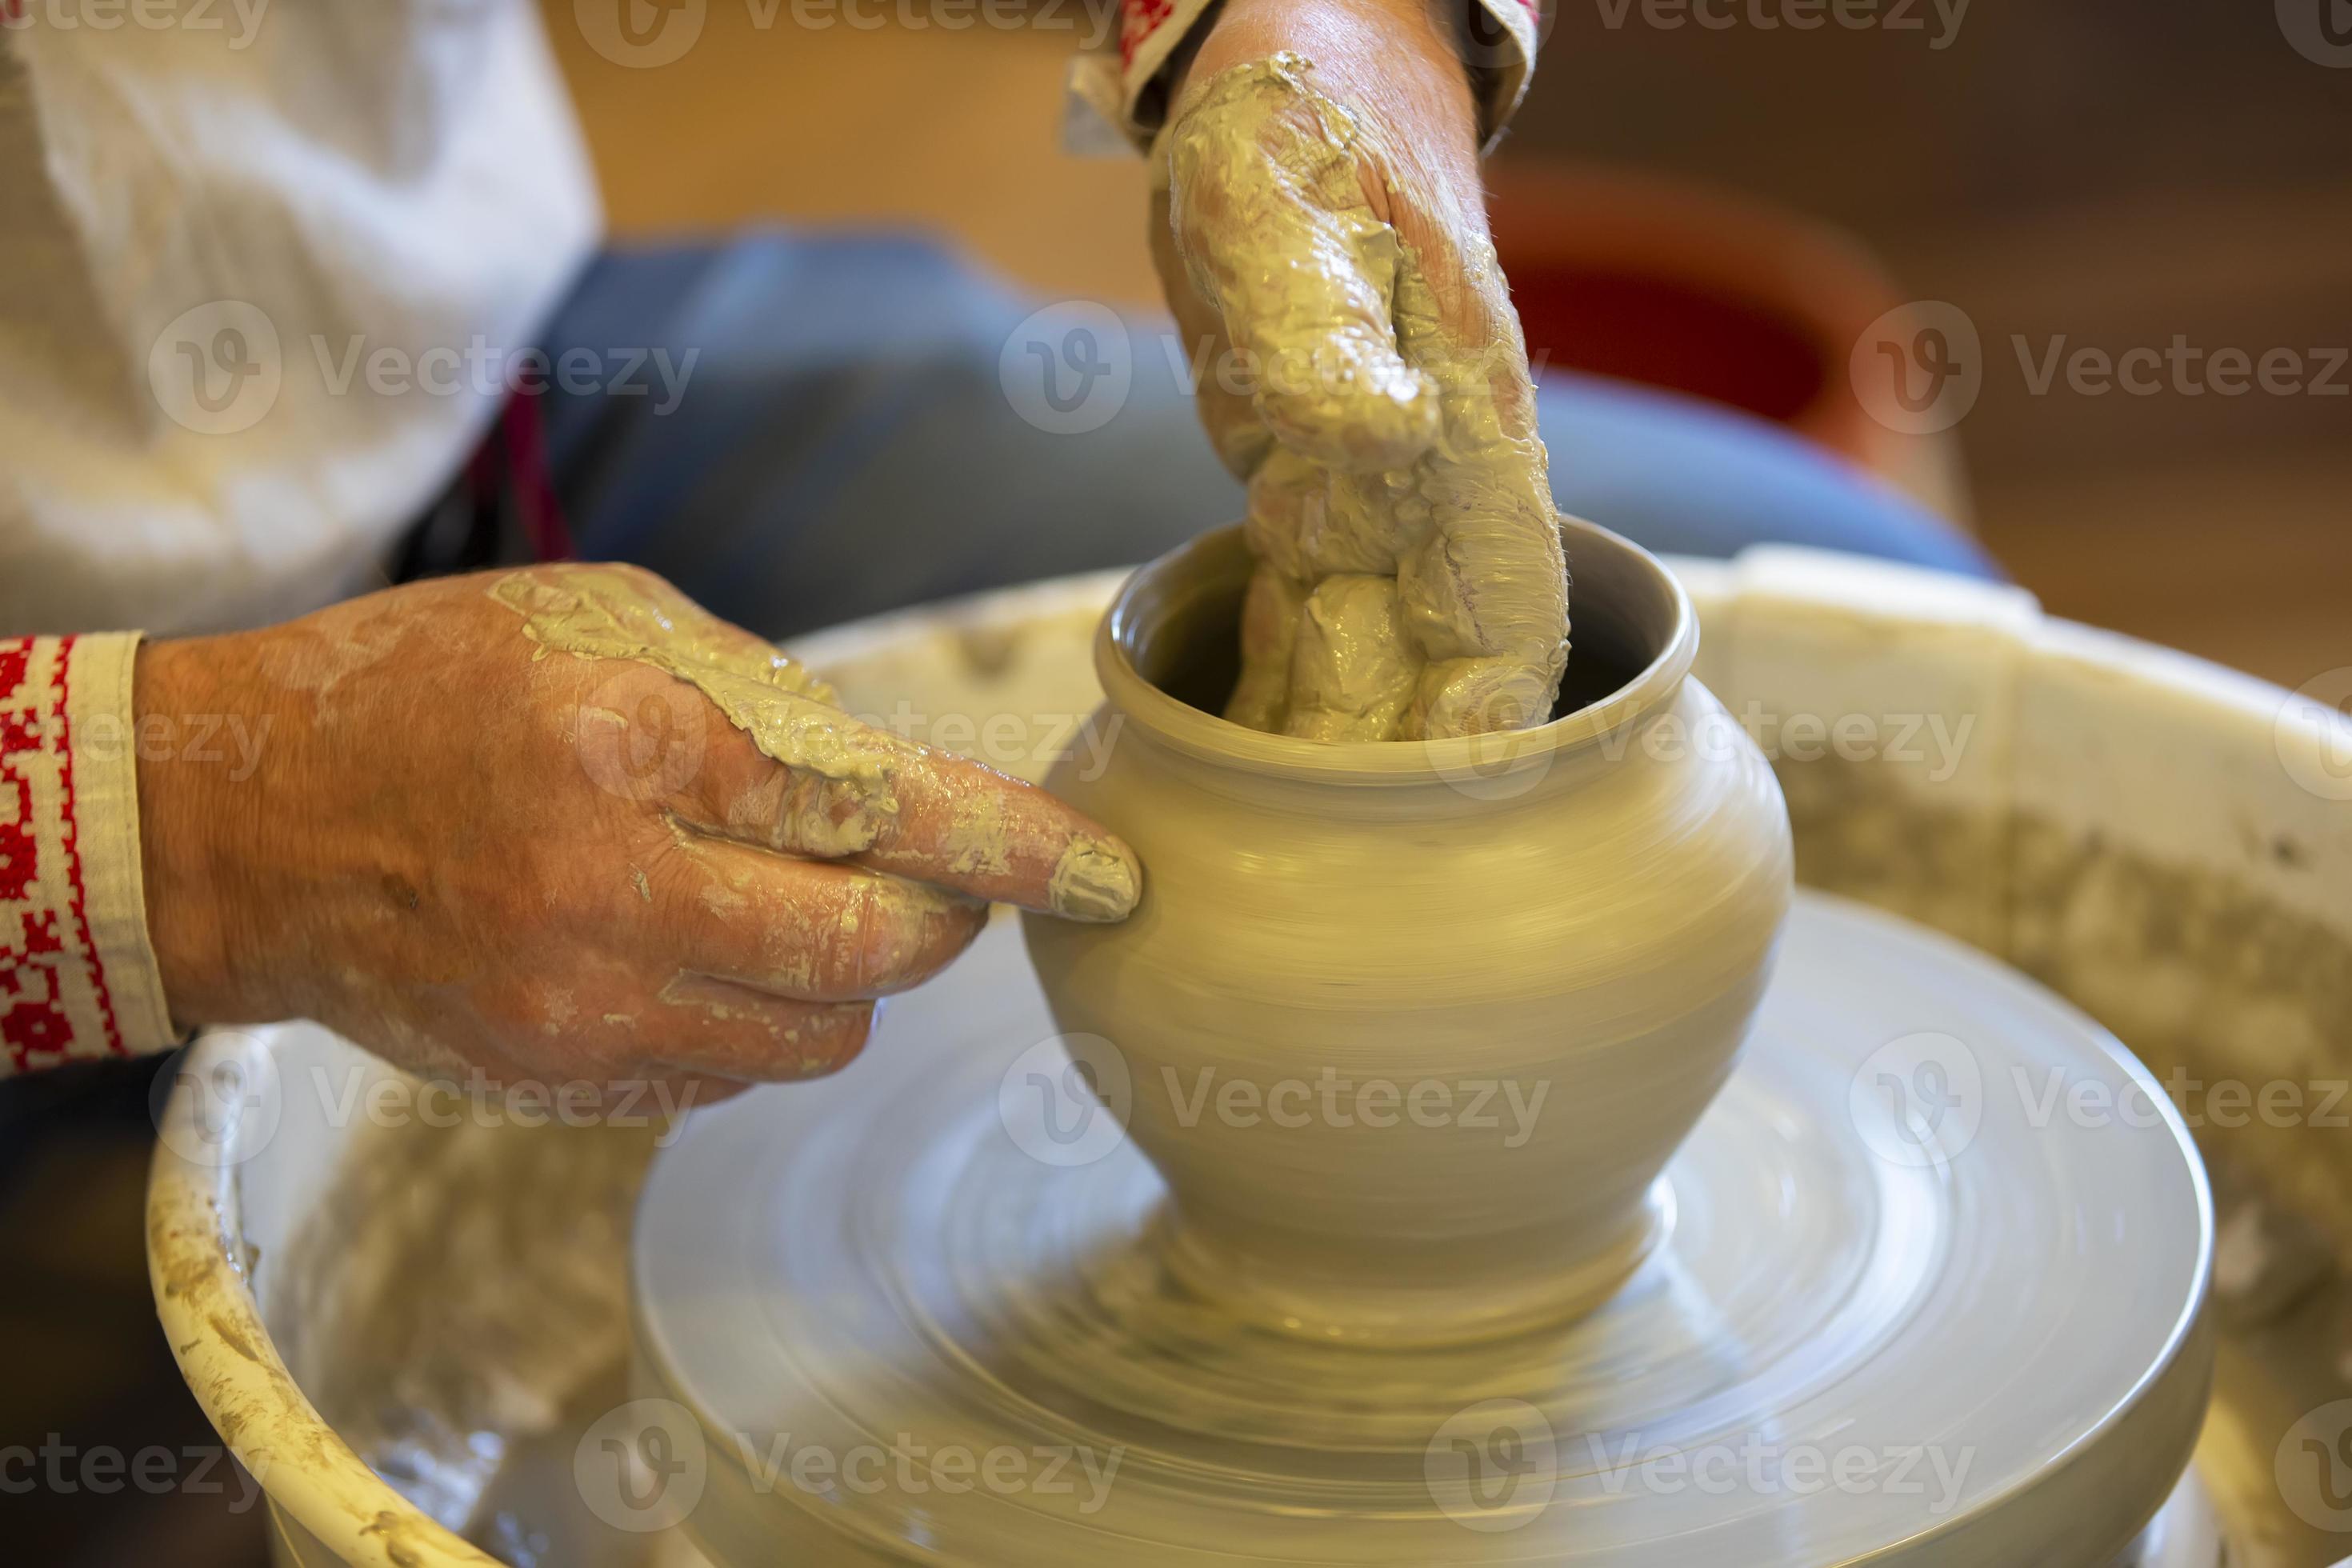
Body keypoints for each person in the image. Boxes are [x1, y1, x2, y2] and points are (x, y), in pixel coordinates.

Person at [0, 0, 1990, 1090]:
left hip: (479, 377)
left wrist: (1292, 16)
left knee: (1907, 632)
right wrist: (198, 831)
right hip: (78, 765)